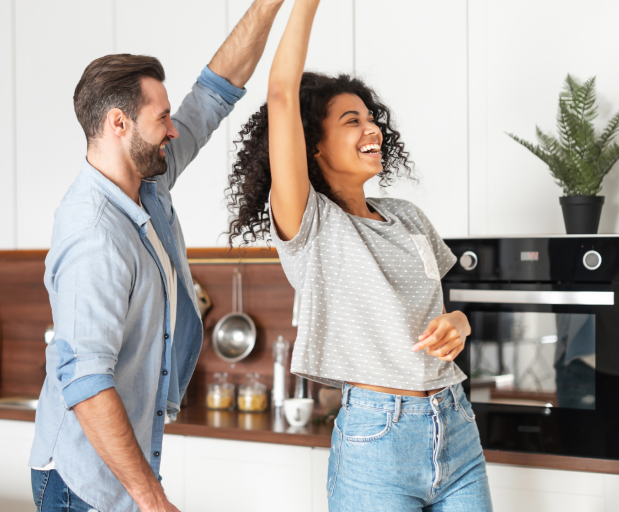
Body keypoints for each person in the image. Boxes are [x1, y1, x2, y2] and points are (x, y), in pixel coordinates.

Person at [225, 0, 494, 510]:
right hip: (378, 439)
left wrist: (458, 323)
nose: (373, 130)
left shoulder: (408, 217)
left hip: (455, 423)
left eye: (372, 119)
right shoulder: (311, 224)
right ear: (314, 145)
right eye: (353, 122)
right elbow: (282, 95)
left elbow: (444, 313)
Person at [28, 2, 286, 511]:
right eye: (162, 117)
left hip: (121, 473)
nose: (173, 129)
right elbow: (87, 383)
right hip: (82, 484)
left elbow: (214, 93)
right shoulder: (93, 233)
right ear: (119, 123)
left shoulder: (149, 181)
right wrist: (152, 499)